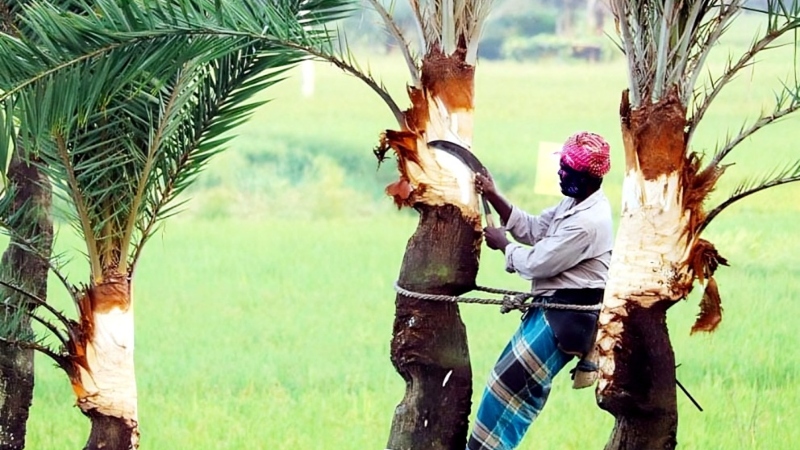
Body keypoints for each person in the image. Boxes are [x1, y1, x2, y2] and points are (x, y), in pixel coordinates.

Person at [466, 131, 614, 450]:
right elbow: (534, 229)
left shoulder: (588, 222)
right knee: (500, 389)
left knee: (511, 393)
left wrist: (503, 245)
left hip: (565, 320)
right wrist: (493, 194)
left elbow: (538, 263)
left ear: (584, 178)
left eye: (566, 170)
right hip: (550, 312)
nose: (560, 174)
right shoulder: (576, 203)